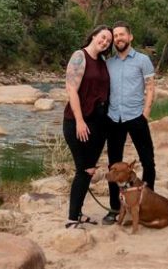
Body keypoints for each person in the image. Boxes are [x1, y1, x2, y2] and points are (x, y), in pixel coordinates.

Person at [103, 21, 156, 225]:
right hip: (114, 118)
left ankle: (148, 202)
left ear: (130, 37)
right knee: (113, 165)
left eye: (122, 35)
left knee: (148, 161)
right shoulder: (109, 63)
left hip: (136, 117)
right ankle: (115, 208)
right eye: (115, 36)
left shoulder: (143, 60)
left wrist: (146, 113)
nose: (118, 38)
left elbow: (150, 87)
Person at [62, 24, 113, 228]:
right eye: (102, 37)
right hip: (78, 122)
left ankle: (78, 213)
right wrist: (80, 121)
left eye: (108, 41)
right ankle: (72, 218)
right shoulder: (79, 56)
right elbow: (71, 89)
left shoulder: (102, 61)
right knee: (83, 169)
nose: (105, 42)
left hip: (99, 124)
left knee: (89, 170)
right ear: (93, 35)